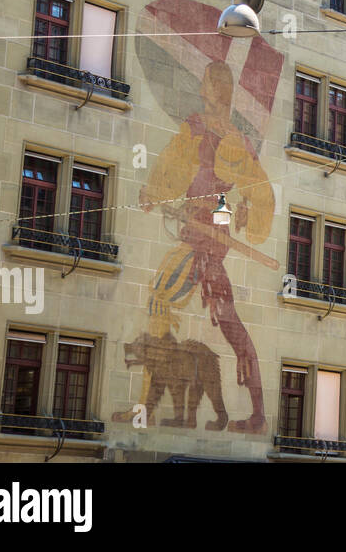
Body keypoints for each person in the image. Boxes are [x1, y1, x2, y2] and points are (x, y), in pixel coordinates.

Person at [137, 61, 274, 433]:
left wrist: (246, 213)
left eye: (208, 85)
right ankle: (258, 414)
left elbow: (257, 193)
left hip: (203, 241)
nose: (203, 91)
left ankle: (146, 411)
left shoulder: (205, 131)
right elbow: (177, 173)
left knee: (159, 299)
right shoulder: (228, 136)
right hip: (208, 240)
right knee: (232, 327)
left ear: (213, 90)